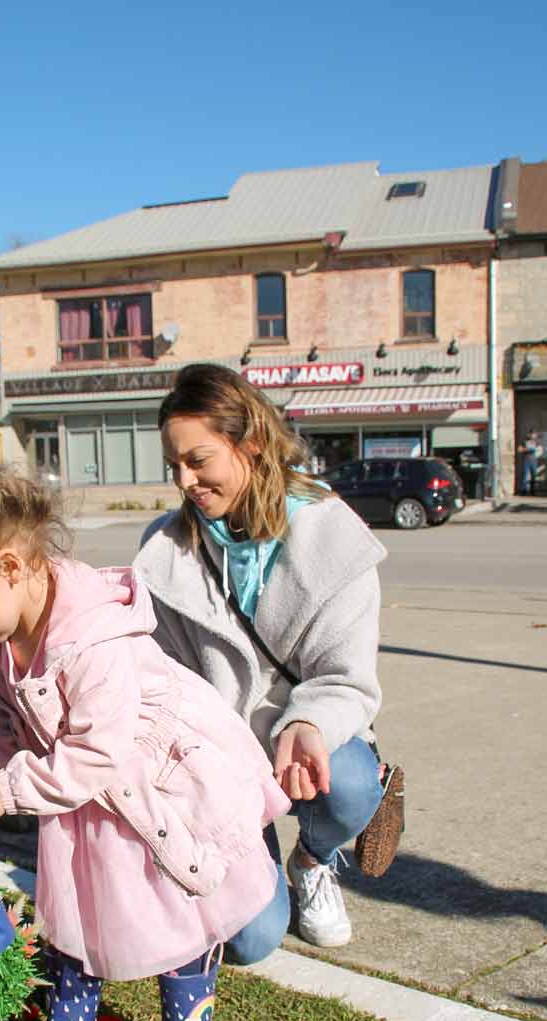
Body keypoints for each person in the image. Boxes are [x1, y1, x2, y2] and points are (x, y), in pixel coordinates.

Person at [0, 428, 290, 1021]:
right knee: (72, 906)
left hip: (154, 791)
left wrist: (7, 789)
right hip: (79, 793)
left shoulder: (92, 639)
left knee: (177, 913)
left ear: (10, 567)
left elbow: (101, 752)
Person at [134, 363, 387, 957]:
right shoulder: (166, 548)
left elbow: (348, 679)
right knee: (251, 941)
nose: (185, 481)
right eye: (173, 465)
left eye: (198, 460)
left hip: (301, 739)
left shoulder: (331, 536)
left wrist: (308, 722)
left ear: (249, 443)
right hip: (220, 759)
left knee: (351, 782)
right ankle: (248, 863)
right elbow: (159, 673)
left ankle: (312, 861)